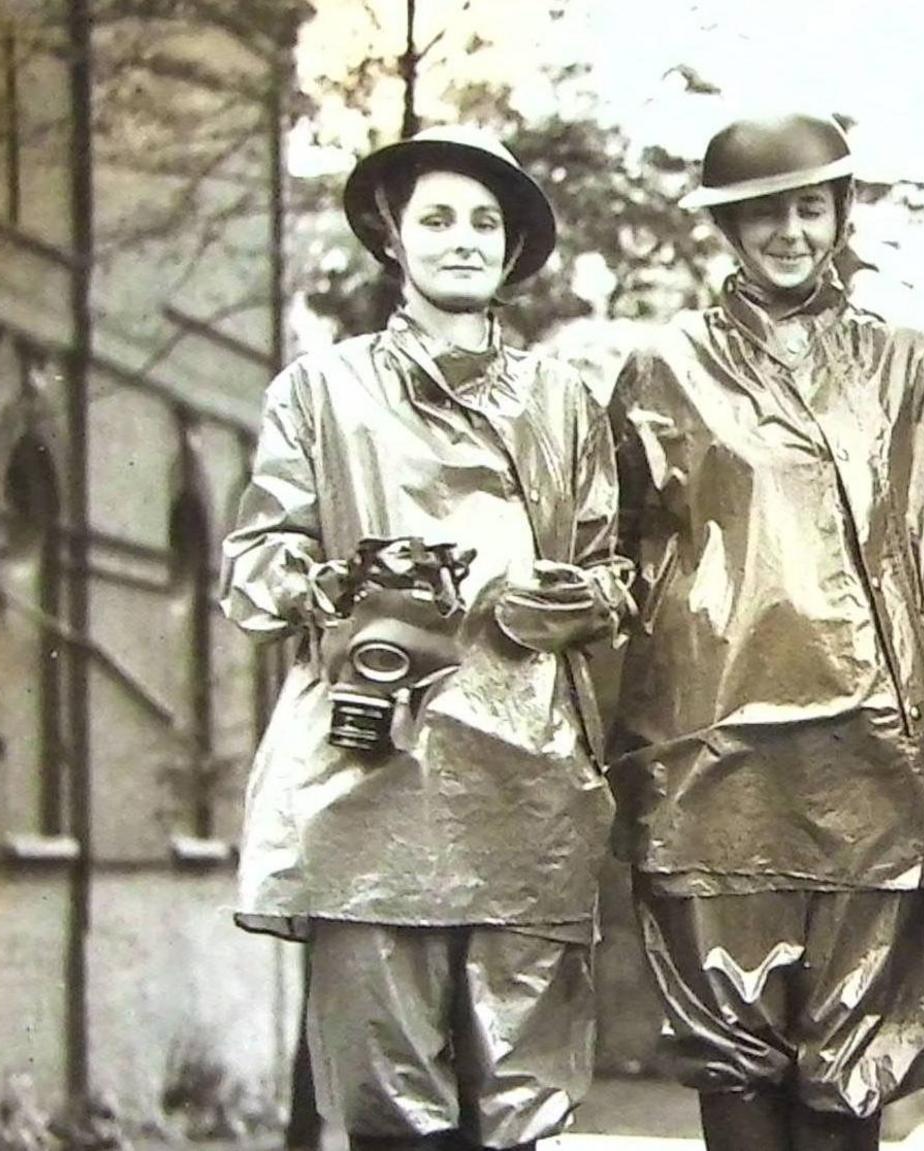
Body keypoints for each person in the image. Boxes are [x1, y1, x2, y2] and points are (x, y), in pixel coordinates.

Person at [604, 112, 924, 1151]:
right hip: (709, 762)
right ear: (726, 226)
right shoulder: (661, 372)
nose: (788, 231)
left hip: (875, 762)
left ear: (840, 213)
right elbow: (606, 548)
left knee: (852, 1075)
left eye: (808, 206)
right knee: (732, 1065)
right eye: (762, 212)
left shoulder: (911, 362)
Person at [221, 124, 632, 1151]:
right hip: (370, 776)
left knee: (521, 1103)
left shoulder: (563, 399)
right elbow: (252, 568)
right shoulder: (319, 391)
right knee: (384, 1103)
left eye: (483, 221)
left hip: (524, 778)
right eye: (437, 218)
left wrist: (570, 596)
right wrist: (340, 584)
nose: (462, 240)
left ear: (510, 248)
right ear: (390, 237)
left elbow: (615, 571)